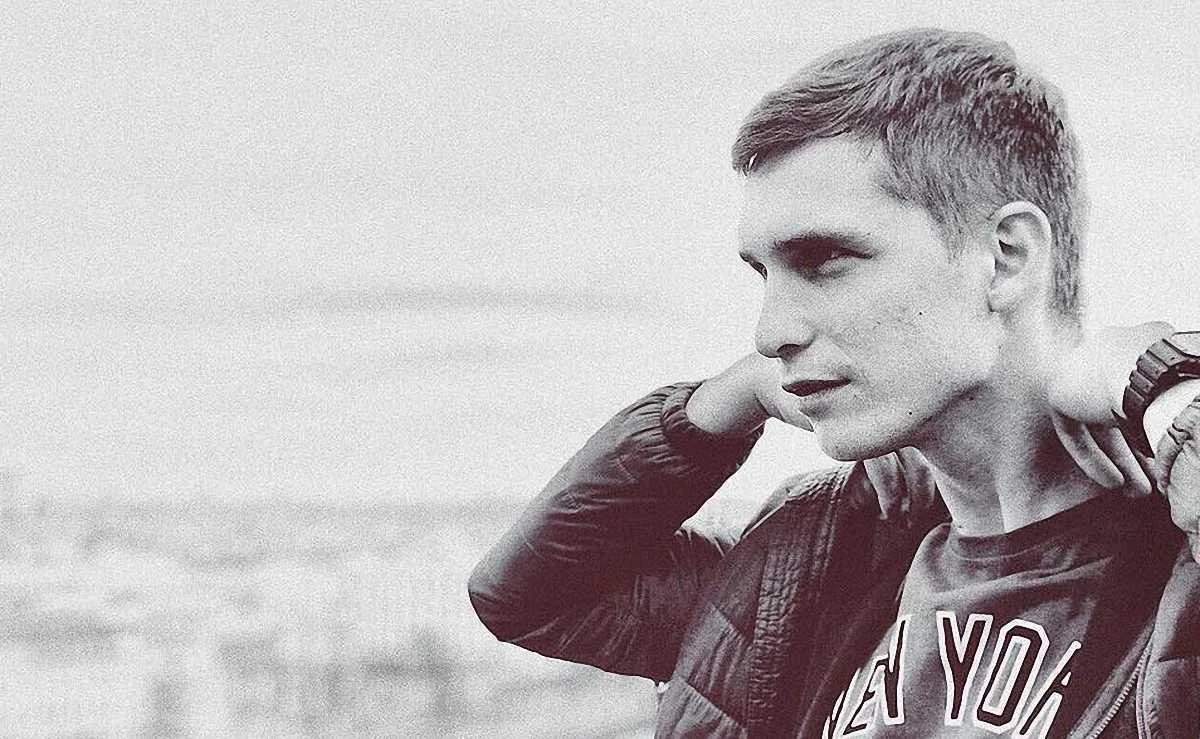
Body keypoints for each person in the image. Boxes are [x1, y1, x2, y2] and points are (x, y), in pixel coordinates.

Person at [468, 29, 1200, 738]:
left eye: (823, 261)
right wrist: (725, 402)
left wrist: (1162, 383)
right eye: (764, 273)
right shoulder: (817, 558)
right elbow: (532, 598)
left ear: (1006, 258)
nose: (769, 333)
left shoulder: (1175, 566)